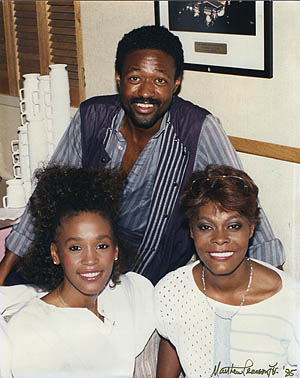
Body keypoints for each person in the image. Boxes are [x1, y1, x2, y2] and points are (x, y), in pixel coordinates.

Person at [0, 25, 284, 287]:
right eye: (135, 78)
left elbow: (244, 208)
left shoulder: (197, 128)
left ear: (176, 83)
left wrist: (278, 297)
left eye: (159, 80)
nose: (146, 92)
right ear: (119, 78)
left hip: (150, 275)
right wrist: (3, 274)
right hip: (86, 261)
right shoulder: (91, 117)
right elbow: (45, 198)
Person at [0, 165, 155, 378]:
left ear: (116, 250)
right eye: (75, 248)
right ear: (55, 253)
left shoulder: (132, 292)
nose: (90, 260)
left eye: (102, 246)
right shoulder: (32, 328)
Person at [155, 165, 299, 378]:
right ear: (191, 230)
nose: (220, 238)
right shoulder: (172, 291)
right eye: (206, 227)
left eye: (233, 226)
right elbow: (171, 342)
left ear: (251, 229)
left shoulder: (290, 301)